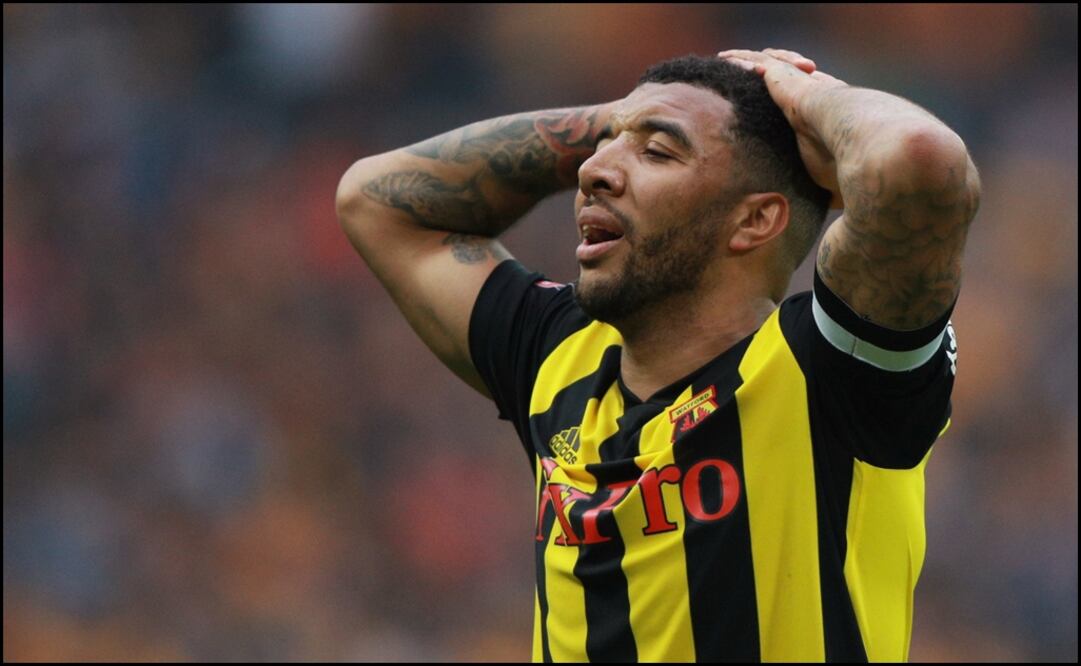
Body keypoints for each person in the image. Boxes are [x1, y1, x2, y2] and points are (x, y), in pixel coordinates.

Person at [335, 48, 980, 662]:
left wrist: (803, 97)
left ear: (755, 221)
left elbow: (921, 166)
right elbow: (375, 199)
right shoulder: (562, 357)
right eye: (605, 147)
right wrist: (627, 116)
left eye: (658, 152)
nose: (593, 170)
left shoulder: (831, 371)